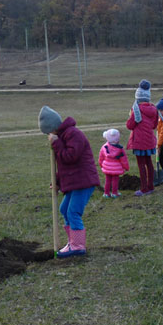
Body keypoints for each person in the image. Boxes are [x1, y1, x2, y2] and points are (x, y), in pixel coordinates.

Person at [39, 105, 100, 258]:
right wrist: (58, 182)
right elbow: (63, 165)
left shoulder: (73, 134)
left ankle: (78, 246)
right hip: (74, 181)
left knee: (73, 212)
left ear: (53, 128)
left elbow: (70, 157)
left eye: (49, 132)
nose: (49, 136)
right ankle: (72, 242)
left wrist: (56, 143)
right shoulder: (63, 136)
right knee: (64, 209)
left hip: (83, 181)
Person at [126, 79, 158, 196]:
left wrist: (130, 116)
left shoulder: (136, 110)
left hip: (139, 142)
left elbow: (130, 125)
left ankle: (144, 188)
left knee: (141, 165)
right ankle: (151, 186)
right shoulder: (154, 109)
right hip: (149, 141)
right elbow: (155, 125)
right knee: (149, 163)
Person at [98, 129, 129, 198]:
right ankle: (114, 193)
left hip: (107, 167)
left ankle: (106, 193)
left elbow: (101, 157)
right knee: (115, 180)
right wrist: (126, 167)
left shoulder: (104, 147)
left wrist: (101, 165)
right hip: (116, 168)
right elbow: (124, 159)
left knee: (108, 180)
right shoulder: (120, 149)